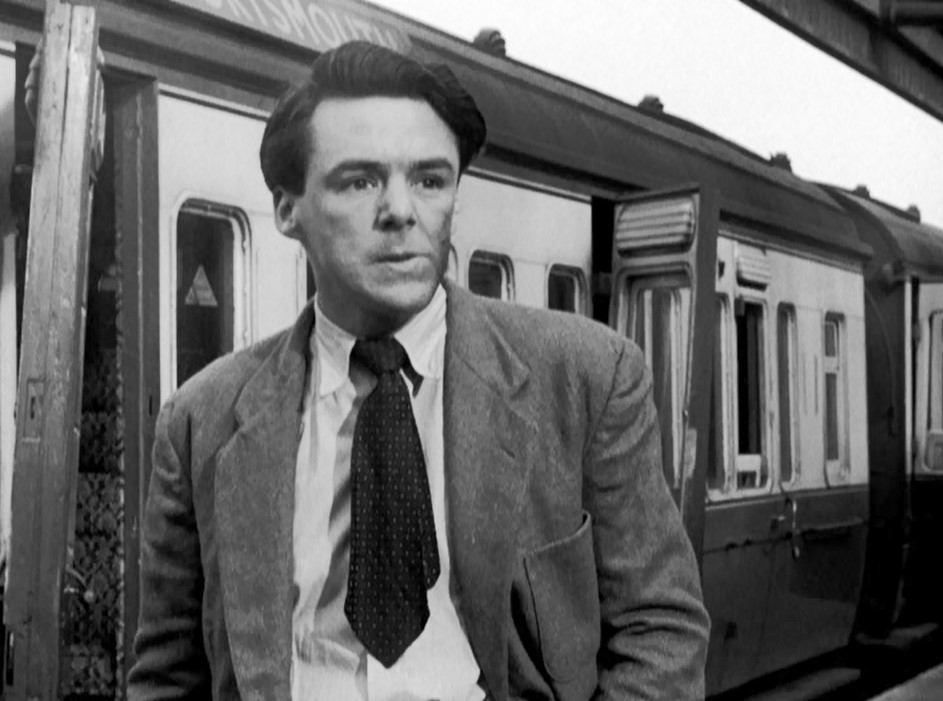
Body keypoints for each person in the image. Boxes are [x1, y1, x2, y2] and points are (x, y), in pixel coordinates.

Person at [128, 41, 709, 701]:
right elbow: (167, 677)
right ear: (288, 208)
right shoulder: (200, 421)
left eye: (430, 180)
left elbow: (661, 631)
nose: (400, 210)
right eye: (360, 181)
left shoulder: (585, 378)